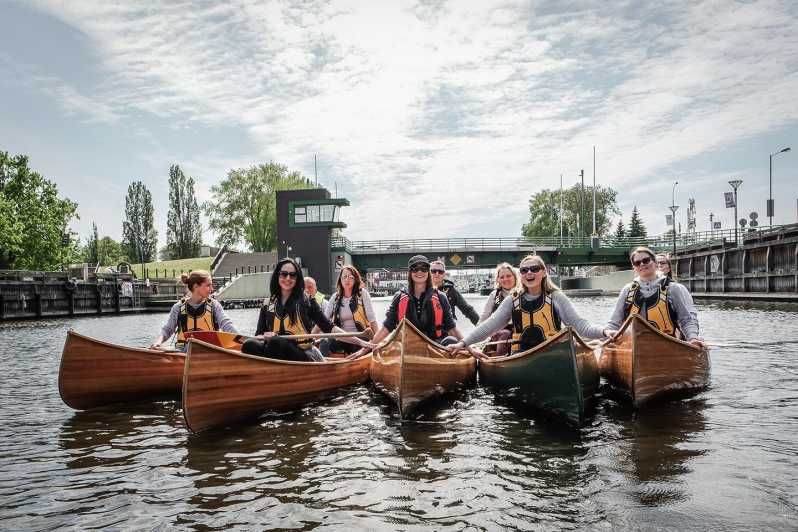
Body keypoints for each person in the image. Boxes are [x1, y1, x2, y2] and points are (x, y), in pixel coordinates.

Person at [448, 255, 607, 358]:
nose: (529, 273)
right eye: (524, 270)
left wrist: (604, 332)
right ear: (521, 275)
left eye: (534, 269)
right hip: (522, 356)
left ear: (544, 272)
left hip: (552, 354)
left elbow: (580, 325)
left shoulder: (556, 297)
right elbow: (489, 326)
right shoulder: (512, 300)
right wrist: (463, 343)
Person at [242, 258, 371, 361]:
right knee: (249, 344)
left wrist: (361, 342)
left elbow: (330, 328)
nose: (288, 278)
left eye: (292, 275)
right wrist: (264, 336)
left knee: (276, 343)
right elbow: (258, 335)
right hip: (276, 351)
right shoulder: (267, 304)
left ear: (297, 279)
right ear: (277, 276)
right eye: (284, 274)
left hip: (304, 353)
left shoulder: (307, 301)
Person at [605, 247, 704, 347]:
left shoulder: (673, 289)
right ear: (634, 267)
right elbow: (614, 323)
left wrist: (692, 338)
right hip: (632, 346)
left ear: (655, 263)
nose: (642, 264)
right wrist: (608, 334)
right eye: (637, 263)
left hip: (666, 346)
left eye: (646, 260)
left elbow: (686, 320)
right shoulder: (627, 290)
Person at [370, 255, 462, 347]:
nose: (419, 271)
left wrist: (466, 345)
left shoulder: (441, 297)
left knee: (451, 340)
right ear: (410, 272)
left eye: (424, 268)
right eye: (415, 268)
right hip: (407, 347)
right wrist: (368, 348)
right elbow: (386, 327)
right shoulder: (399, 297)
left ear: (428, 272)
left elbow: (452, 328)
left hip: (435, 345)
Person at [150, 270, 237, 350]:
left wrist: (240, 341)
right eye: (208, 285)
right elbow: (167, 330)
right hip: (183, 354)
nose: (212, 289)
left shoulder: (214, 306)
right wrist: (158, 342)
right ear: (196, 286)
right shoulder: (178, 307)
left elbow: (227, 325)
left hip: (209, 353)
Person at [317, 265, 381, 356]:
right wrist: (311, 336)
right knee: (324, 343)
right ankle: (326, 366)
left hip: (360, 336)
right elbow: (323, 320)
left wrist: (378, 339)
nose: (347, 280)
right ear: (340, 280)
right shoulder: (335, 297)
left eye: (351, 277)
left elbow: (372, 319)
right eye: (344, 277)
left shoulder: (363, 294)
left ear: (355, 280)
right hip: (341, 338)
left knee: (358, 347)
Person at [478, 262, 518, 356]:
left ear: (515, 277)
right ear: (498, 280)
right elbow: (485, 316)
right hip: (500, 331)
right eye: (502, 277)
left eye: (508, 276)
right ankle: (501, 360)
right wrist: (477, 335)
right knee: (505, 334)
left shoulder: (522, 292)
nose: (505, 279)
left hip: (520, 330)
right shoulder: (494, 295)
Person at [429, 260, 480, 325]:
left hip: (448, 329)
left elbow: (467, 310)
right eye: (433, 271)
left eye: (440, 272)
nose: (437, 273)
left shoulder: (451, 290)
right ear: (429, 273)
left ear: (444, 274)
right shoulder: (422, 289)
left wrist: (482, 327)